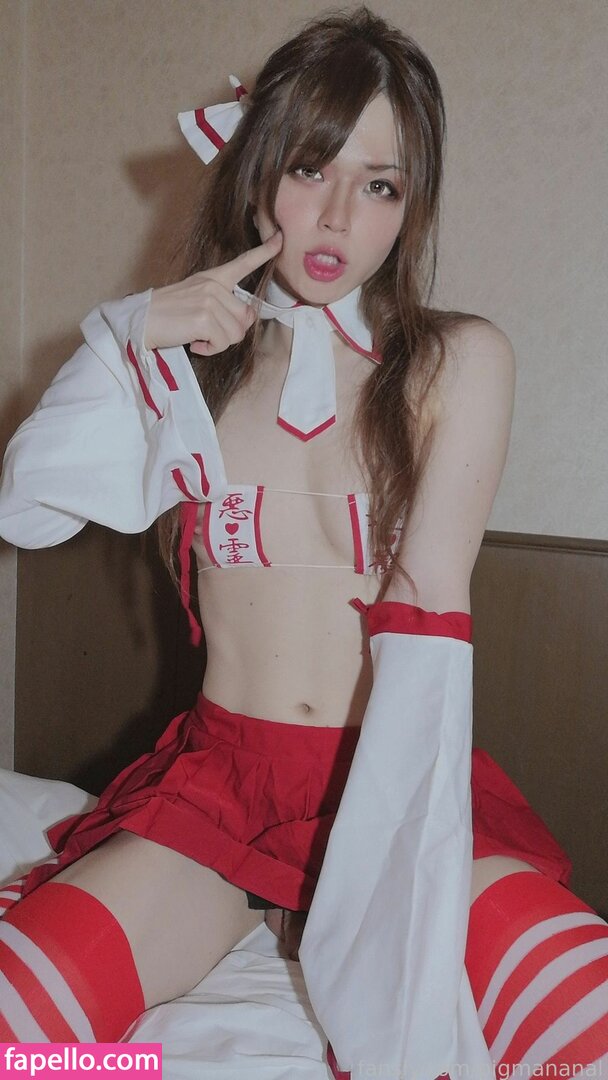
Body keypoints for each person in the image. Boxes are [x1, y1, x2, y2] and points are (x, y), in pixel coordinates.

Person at [0, 7, 606, 1077]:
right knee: (19, 1043)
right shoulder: (190, 374)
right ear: (255, 172)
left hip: (395, 782)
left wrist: (389, 881)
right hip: (221, 796)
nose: (336, 216)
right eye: (310, 168)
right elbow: (27, 510)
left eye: (379, 185)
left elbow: (430, 605)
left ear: (411, 206)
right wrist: (127, 335)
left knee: (585, 1034)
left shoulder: (455, 362)